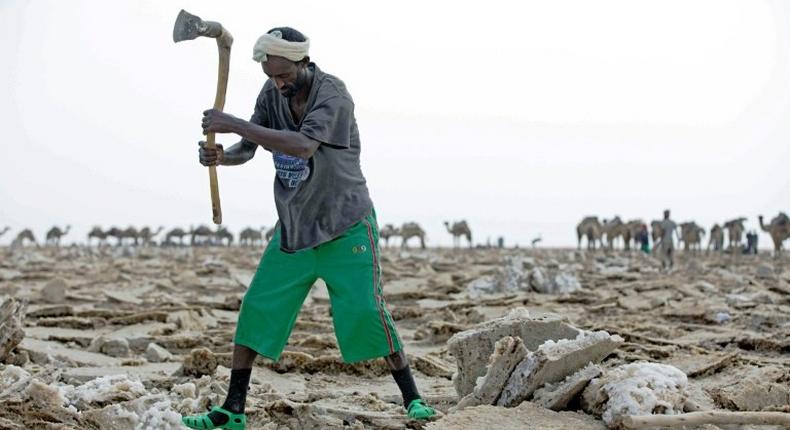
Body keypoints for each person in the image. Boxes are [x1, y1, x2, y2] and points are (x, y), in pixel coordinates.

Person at [181, 27, 435, 429]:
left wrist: (234, 124)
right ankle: (233, 410)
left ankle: (413, 400)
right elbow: (249, 147)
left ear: (303, 63)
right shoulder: (272, 94)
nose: (278, 83)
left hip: (345, 223)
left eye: (284, 75)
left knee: (366, 310)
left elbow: (301, 145)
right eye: (271, 76)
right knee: (257, 307)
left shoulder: (333, 95)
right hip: (295, 226)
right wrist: (221, 156)